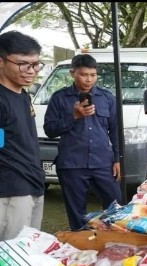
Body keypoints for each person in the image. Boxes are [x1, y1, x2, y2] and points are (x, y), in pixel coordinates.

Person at [44, 54, 122, 231]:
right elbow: (50, 130)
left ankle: (115, 244)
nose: (89, 79)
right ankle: (81, 251)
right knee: (77, 215)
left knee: (116, 208)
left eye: (93, 75)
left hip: (103, 163)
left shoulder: (106, 97)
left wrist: (118, 159)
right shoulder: (59, 98)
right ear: (72, 73)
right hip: (72, 164)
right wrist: (74, 116)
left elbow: (115, 130)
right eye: (84, 74)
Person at [0, 31, 46, 241]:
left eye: (36, 64)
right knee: (10, 258)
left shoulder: (23, 94)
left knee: (27, 253)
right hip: (11, 191)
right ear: (1, 62)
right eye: (23, 64)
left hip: (33, 184)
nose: (31, 71)